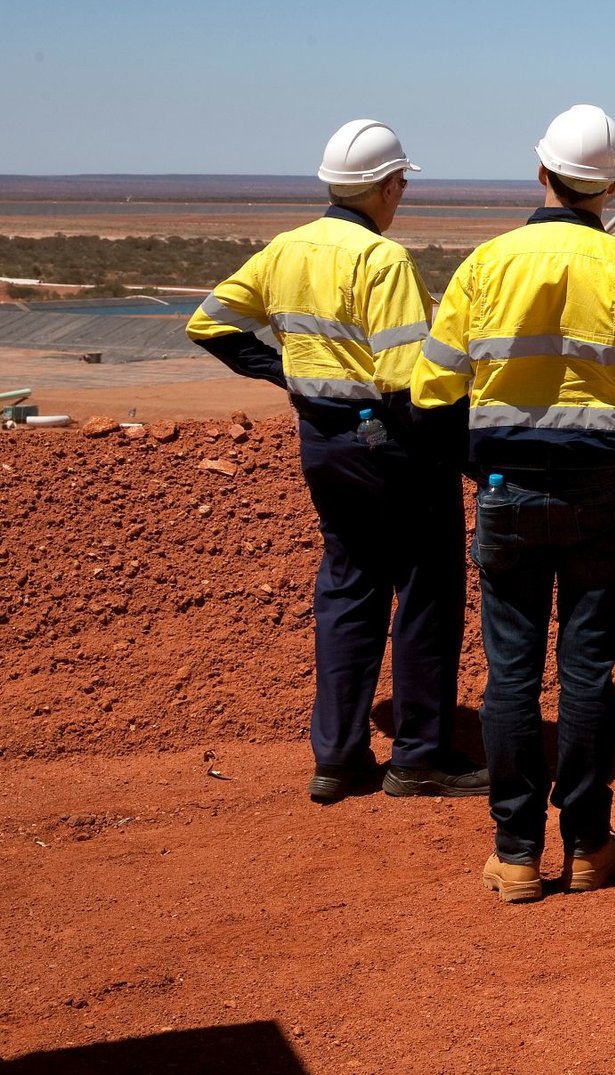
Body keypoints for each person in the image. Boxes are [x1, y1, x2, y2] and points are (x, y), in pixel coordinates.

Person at [410, 104, 615, 904]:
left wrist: (482, 468)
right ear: (612, 185)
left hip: (505, 490)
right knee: (587, 671)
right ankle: (588, 844)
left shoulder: (484, 266)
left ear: (541, 172)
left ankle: (514, 854)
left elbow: (432, 398)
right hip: (601, 490)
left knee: (510, 677)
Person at [186, 119, 486, 805]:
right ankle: (418, 758)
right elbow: (413, 385)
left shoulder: (285, 250)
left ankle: (337, 758)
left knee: (349, 587)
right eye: (402, 181)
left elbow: (209, 321)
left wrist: (286, 372)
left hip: (322, 442)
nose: (404, 192)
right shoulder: (384, 262)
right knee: (427, 592)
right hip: (392, 446)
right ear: (384, 186)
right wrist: (466, 459)